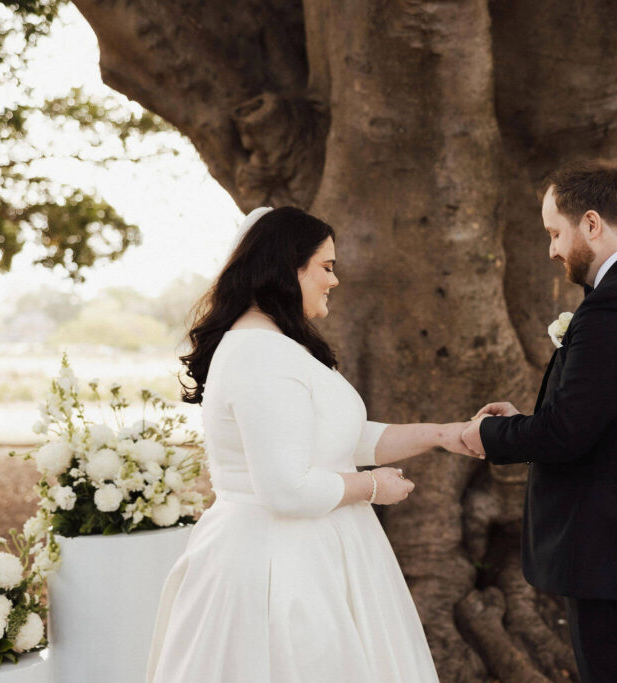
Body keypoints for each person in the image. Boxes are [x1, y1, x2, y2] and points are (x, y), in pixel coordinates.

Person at [147, 206, 472, 682]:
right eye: (326, 267)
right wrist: (373, 489)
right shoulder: (261, 354)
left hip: (313, 553)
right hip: (281, 569)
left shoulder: (278, 348)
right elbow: (286, 489)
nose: (334, 280)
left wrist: (446, 435)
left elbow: (343, 441)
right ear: (287, 268)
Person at [461, 160, 617, 683]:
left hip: (615, 554)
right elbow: (597, 420)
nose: (551, 249)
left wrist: (486, 436)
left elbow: (566, 434)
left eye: (554, 232)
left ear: (591, 223)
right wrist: (525, 420)